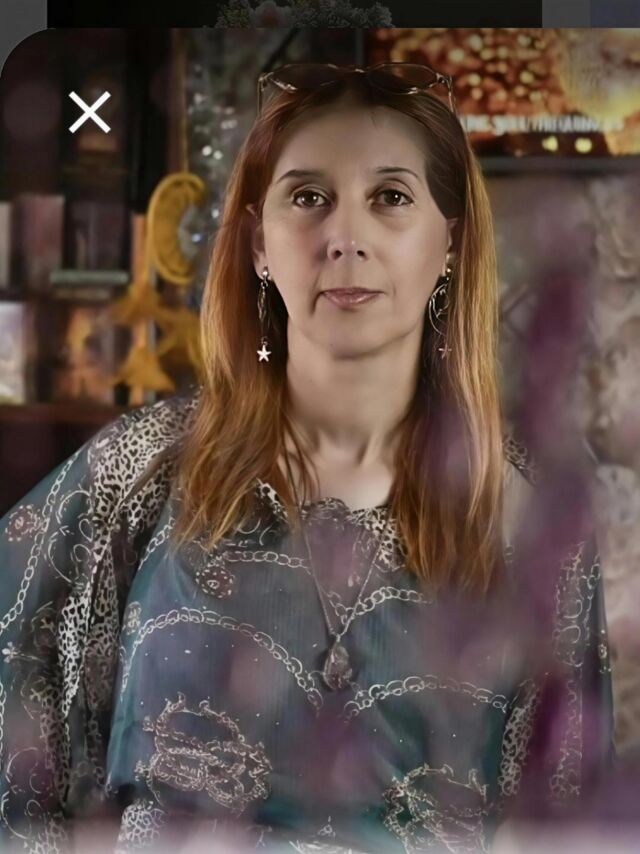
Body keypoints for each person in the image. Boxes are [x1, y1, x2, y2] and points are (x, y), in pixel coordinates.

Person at [0, 63, 614, 854]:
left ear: (451, 242)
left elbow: (566, 821)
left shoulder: (531, 520)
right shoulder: (139, 470)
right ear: (259, 244)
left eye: (390, 197)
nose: (345, 237)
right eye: (308, 196)